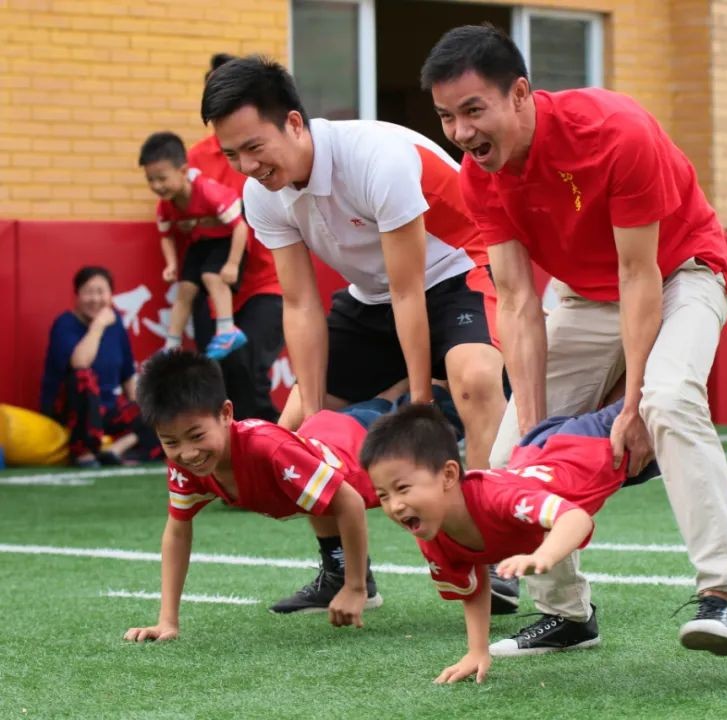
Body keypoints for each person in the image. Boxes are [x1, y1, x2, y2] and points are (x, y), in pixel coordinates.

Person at [420, 24, 727, 657]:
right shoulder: (477, 175)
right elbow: (518, 300)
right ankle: (568, 614)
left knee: (667, 400)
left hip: (679, 271)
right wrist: (539, 426)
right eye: (446, 117)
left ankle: (724, 596)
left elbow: (640, 275)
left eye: (473, 110)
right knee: (511, 451)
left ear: (519, 93)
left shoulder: (613, 130)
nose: (462, 133)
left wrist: (630, 409)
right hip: (582, 294)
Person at [200, 55, 509, 613]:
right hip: (372, 298)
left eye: (254, 147)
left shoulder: (377, 157)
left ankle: (483, 549)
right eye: (231, 155)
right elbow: (299, 302)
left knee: (477, 380)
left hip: (456, 272)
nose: (246, 165)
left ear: (294, 123)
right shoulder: (261, 193)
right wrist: (314, 423)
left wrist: (419, 406)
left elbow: (410, 288)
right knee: (292, 428)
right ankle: (343, 570)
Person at [362, 400, 660, 684]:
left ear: (449, 475)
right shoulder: (431, 531)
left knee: (671, 403)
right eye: (384, 495)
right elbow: (474, 586)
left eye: (402, 488)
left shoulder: (497, 498)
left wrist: (543, 556)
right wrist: (477, 651)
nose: (394, 505)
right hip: (543, 448)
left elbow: (575, 519)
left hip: (593, 442)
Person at [122, 350, 381, 642]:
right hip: (330, 435)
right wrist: (167, 622)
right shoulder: (187, 464)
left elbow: (350, 502)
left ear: (226, 414)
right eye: (171, 442)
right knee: (313, 495)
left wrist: (355, 587)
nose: (188, 452)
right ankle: (339, 575)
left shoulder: (268, 450)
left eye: (196, 436)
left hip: (373, 443)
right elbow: (178, 530)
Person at [186, 53, 286, 422]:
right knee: (216, 377)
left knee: (249, 369)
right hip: (219, 284)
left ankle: (273, 451)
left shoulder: (274, 146)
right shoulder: (195, 157)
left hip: (265, 279)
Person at [139, 132, 249, 360]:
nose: (157, 186)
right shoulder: (165, 206)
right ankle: (172, 344)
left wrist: (232, 264)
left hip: (227, 241)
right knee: (185, 289)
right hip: (201, 243)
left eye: (162, 178)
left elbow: (241, 227)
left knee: (211, 277)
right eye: (151, 180)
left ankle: (228, 330)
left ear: (182, 171)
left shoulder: (208, 192)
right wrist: (170, 264)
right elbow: (166, 234)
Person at [40, 267, 160, 467]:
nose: (95, 299)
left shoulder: (116, 323)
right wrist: (98, 325)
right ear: (77, 295)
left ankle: (116, 450)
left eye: (101, 292)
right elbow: (80, 363)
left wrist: (142, 416)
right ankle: (83, 452)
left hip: (108, 410)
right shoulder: (65, 323)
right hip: (71, 412)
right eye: (88, 292)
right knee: (83, 376)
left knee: (160, 410)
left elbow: (128, 376)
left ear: (111, 295)